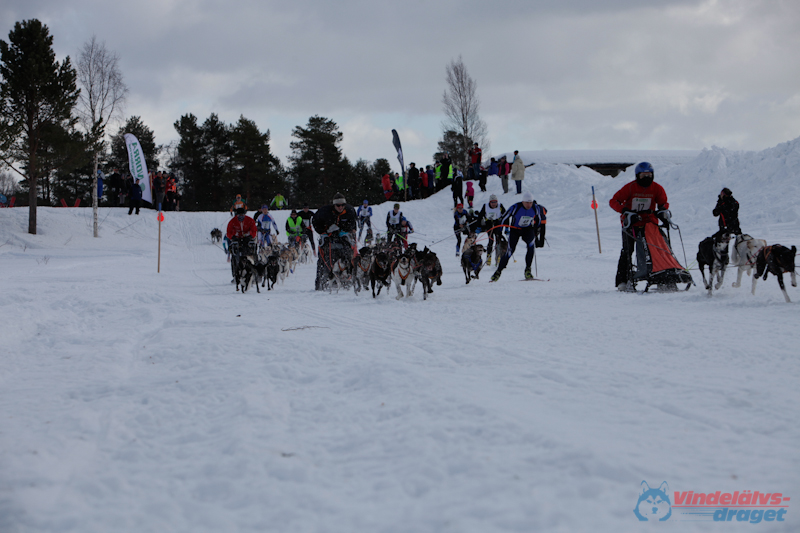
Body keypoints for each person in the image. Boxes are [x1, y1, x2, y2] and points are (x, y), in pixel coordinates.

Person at [609, 161, 670, 290]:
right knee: (627, 250)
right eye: (643, 176)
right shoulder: (630, 188)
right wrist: (624, 210)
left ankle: (661, 277)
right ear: (637, 176)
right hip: (631, 224)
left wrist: (663, 210)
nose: (646, 178)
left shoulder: (657, 188)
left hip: (649, 224)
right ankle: (622, 281)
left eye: (649, 175)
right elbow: (613, 201)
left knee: (657, 249)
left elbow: (663, 203)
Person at [490, 191, 547, 281]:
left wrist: (536, 229)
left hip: (527, 230)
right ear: (523, 202)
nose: (529, 205)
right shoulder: (515, 207)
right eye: (527, 203)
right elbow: (504, 217)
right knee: (509, 251)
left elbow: (539, 219)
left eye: (530, 203)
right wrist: (500, 231)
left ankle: (528, 270)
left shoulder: (535, 208)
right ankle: (498, 272)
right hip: (515, 230)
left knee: (531, 246)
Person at [312, 192, 358, 290]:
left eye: (342, 205)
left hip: (343, 235)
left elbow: (353, 224)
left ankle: (347, 277)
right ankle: (322, 280)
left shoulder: (349, 210)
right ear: (334, 205)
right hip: (328, 236)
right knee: (325, 257)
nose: (340, 207)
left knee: (347, 254)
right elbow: (315, 221)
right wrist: (323, 231)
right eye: (338, 205)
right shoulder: (324, 212)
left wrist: (345, 229)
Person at [227, 207, 258, 282]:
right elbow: (228, 232)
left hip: (247, 239)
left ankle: (255, 274)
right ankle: (235, 275)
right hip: (237, 240)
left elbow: (254, 231)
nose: (241, 216)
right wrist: (233, 237)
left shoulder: (250, 220)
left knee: (253, 255)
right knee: (235, 256)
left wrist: (250, 236)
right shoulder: (232, 221)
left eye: (242, 215)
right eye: (239, 215)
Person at [477, 194, 506, 265]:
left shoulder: (500, 206)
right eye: (492, 202)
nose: (494, 204)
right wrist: (478, 227)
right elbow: (480, 216)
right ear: (489, 202)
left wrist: (506, 227)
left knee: (498, 240)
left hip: (497, 223)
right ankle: (489, 257)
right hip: (489, 223)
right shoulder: (485, 206)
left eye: (495, 202)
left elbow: (506, 215)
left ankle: (498, 257)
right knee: (491, 240)